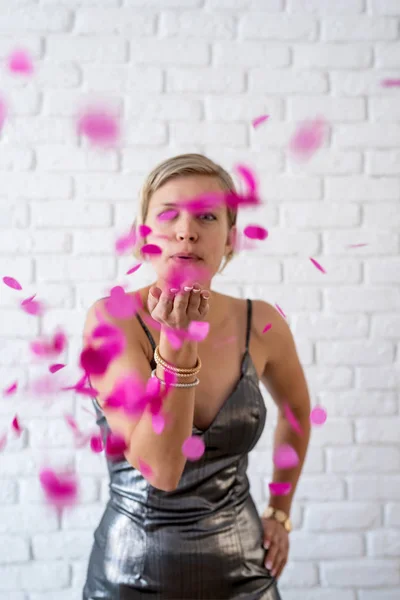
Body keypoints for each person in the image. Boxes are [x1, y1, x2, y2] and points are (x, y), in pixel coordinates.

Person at [82, 153, 311, 599]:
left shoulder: (260, 322)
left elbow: (298, 411)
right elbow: (163, 470)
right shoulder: (112, 320)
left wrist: (280, 512)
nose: (187, 230)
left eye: (207, 216)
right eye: (169, 214)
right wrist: (176, 344)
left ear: (230, 238)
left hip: (245, 570)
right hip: (131, 576)